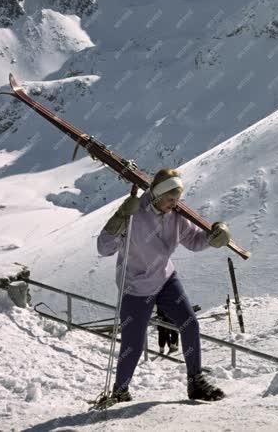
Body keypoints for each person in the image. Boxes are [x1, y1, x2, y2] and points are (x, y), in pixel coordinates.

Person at [96, 168, 231, 404]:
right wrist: (118, 217)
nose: (174, 204)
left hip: (165, 278)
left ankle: (195, 381)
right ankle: (120, 390)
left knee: (190, 324)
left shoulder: (177, 215)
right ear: (157, 194)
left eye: (177, 199)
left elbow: (195, 242)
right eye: (170, 199)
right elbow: (104, 248)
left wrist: (213, 238)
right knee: (133, 343)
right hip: (136, 285)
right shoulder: (133, 212)